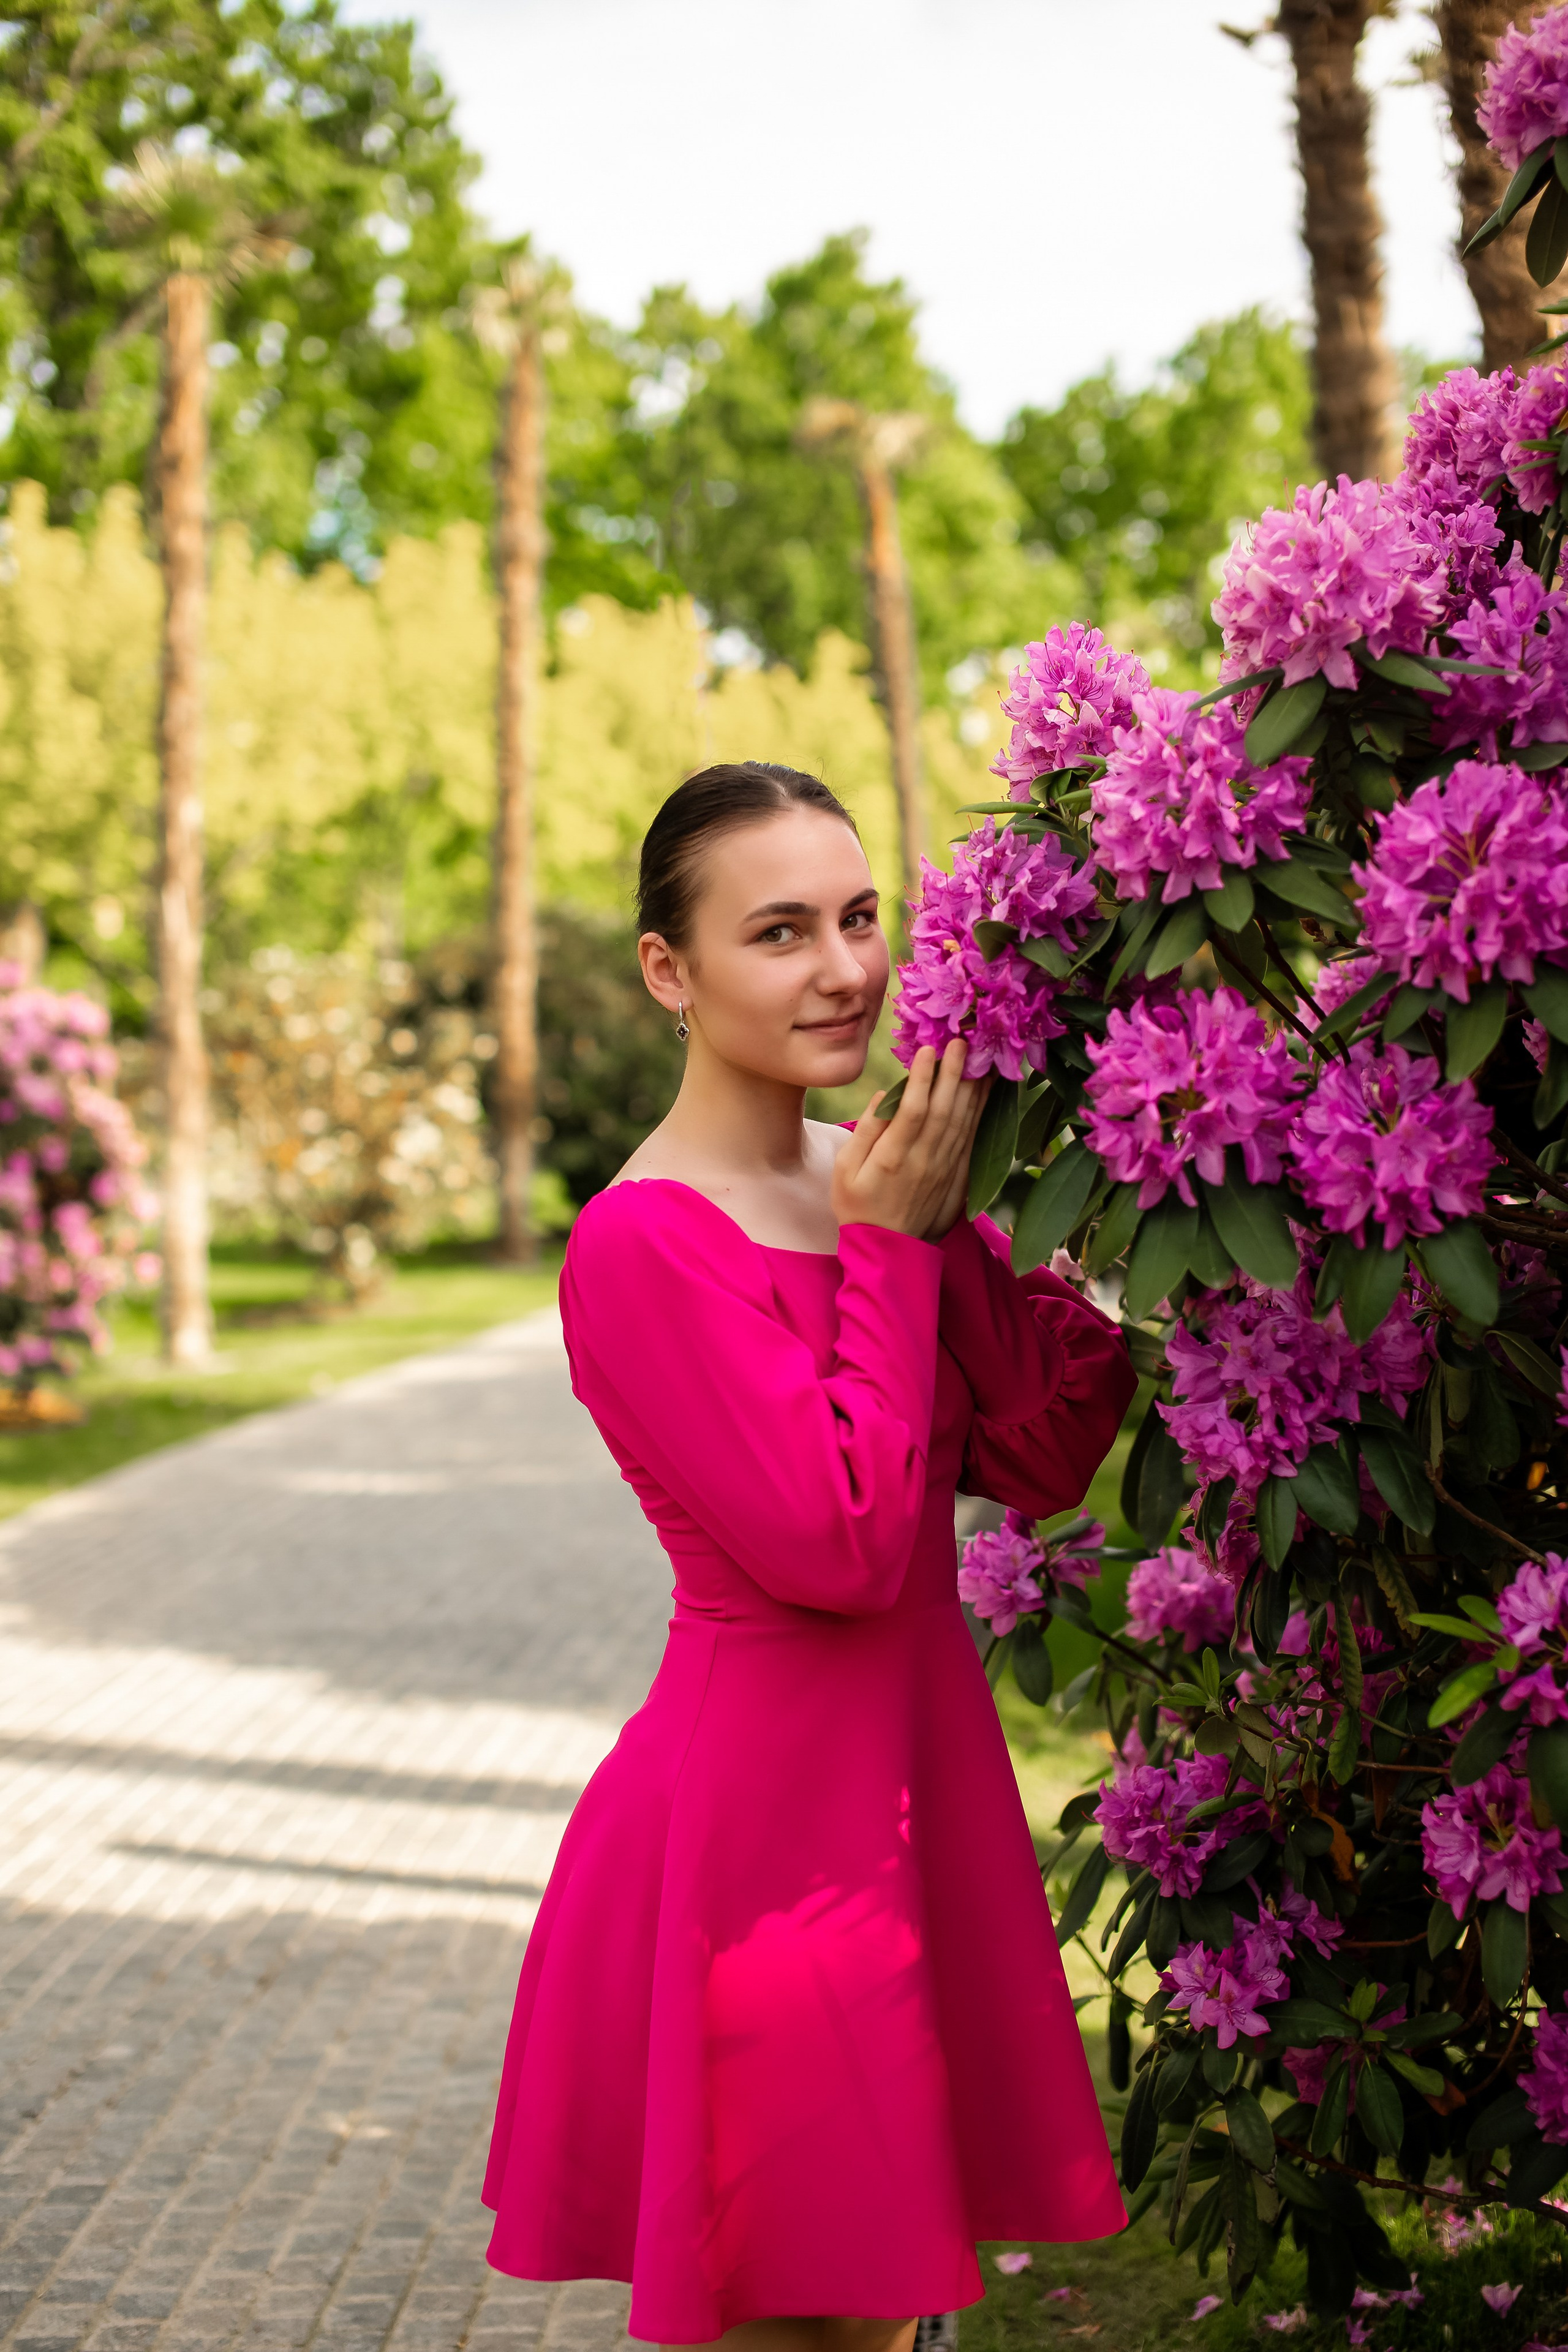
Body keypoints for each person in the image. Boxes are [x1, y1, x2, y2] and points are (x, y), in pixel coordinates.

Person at [482, 762, 1137, 2352]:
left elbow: (1045, 1445)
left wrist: (985, 1202)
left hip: (912, 1797)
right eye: (779, 932)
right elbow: (842, 1545)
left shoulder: (875, 1171)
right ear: (671, 972)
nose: (846, 969)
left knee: (887, 2317)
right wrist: (894, 1251)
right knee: (810, 2323)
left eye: (860, 919)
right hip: (759, 1836)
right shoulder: (643, 1243)